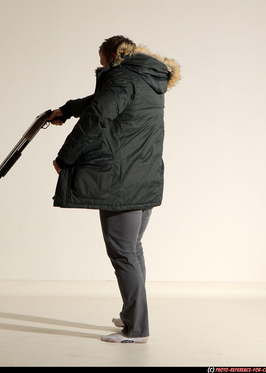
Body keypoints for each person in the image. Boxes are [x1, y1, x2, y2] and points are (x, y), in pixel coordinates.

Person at [47, 36, 180, 343]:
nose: (102, 67)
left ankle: (137, 330)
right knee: (132, 249)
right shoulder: (147, 79)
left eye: (102, 61)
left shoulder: (121, 79)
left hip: (122, 181)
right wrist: (66, 110)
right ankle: (131, 316)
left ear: (109, 57)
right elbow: (102, 103)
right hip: (144, 177)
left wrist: (65, 158)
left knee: (123, 252)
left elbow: (98, 116)